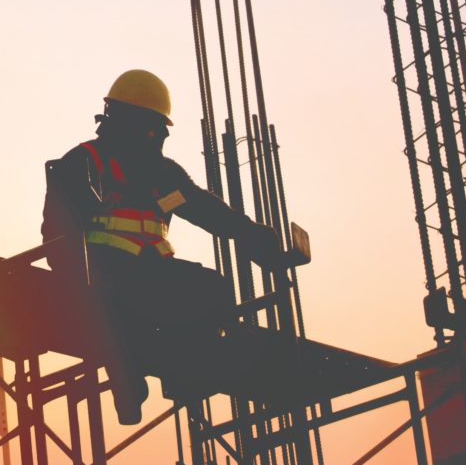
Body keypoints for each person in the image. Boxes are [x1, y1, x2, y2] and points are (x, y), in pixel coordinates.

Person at [42, 68, 307, 424]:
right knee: (115, 313)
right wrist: (77, 281)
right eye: (154, 128)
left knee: (211, 288)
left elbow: (203, 208)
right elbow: (56, 233)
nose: (159, 137)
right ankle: (128, 378)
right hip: (107, 275)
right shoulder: (86, 162)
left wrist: (251, 235)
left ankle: (184, 375)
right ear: (138, 124)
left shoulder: (161, 175)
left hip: (150, 275)